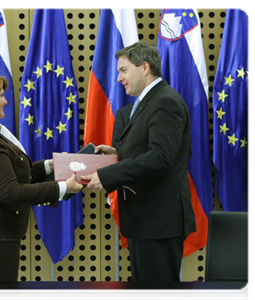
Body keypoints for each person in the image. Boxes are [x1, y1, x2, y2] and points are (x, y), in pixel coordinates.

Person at [82, 42, 196, 282]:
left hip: (158, 222)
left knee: (157, 294)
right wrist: (117, 153)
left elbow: (161, 156)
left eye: (123, 70)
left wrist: (107, 175)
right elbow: (150, 149)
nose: (119, 78)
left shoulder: (165, 102)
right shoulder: (147, 102)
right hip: (144, 220)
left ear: (145, 67)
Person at [0, 69, 83, 282]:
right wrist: (63, 188)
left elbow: (12, 172)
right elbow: (10, 191)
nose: (6, 102)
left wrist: (51, 166)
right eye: (1, 96)